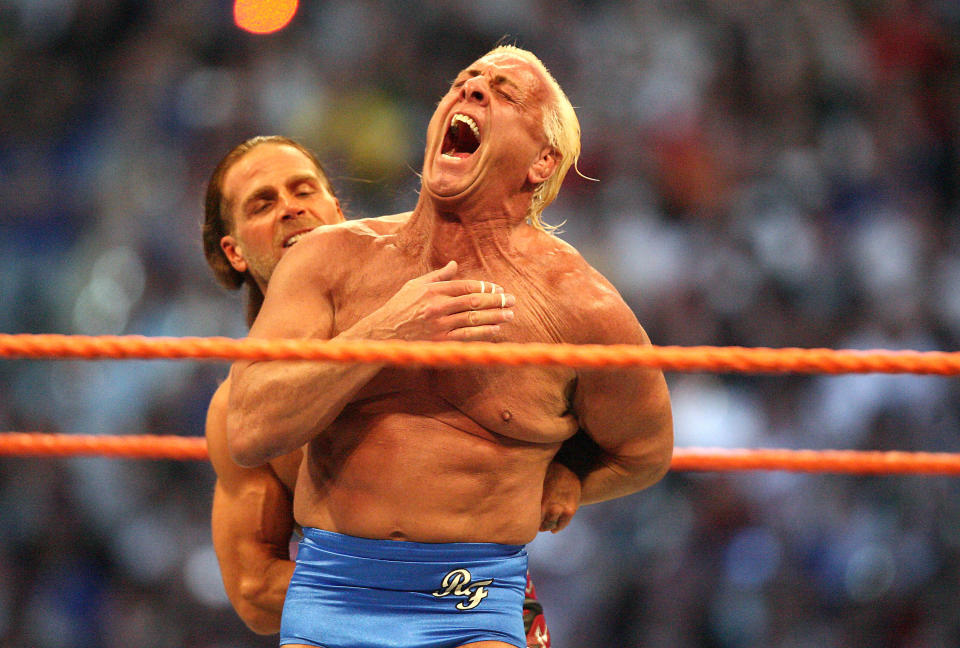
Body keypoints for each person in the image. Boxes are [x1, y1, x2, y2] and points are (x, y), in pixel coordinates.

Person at [227, 45, 673, 648]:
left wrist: (573, 475)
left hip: (471, 602)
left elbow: (646, 449)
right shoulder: (326, 262)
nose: (473, 90)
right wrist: (384, 335)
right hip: (332, 591)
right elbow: (250, 426)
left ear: (543, 160)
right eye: (465, 82)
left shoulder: (579, 307)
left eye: (504, 92)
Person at [201, 135, 565, 646]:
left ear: (337, 210)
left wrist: (573, 473)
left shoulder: (436, 308)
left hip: (480, 605)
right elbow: (253, 589)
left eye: (304, 190)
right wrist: (406, 599)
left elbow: (567, 403)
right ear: (234, 251)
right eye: (263, 204)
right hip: (370, 620)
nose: (290, 209)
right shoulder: (240, 412)